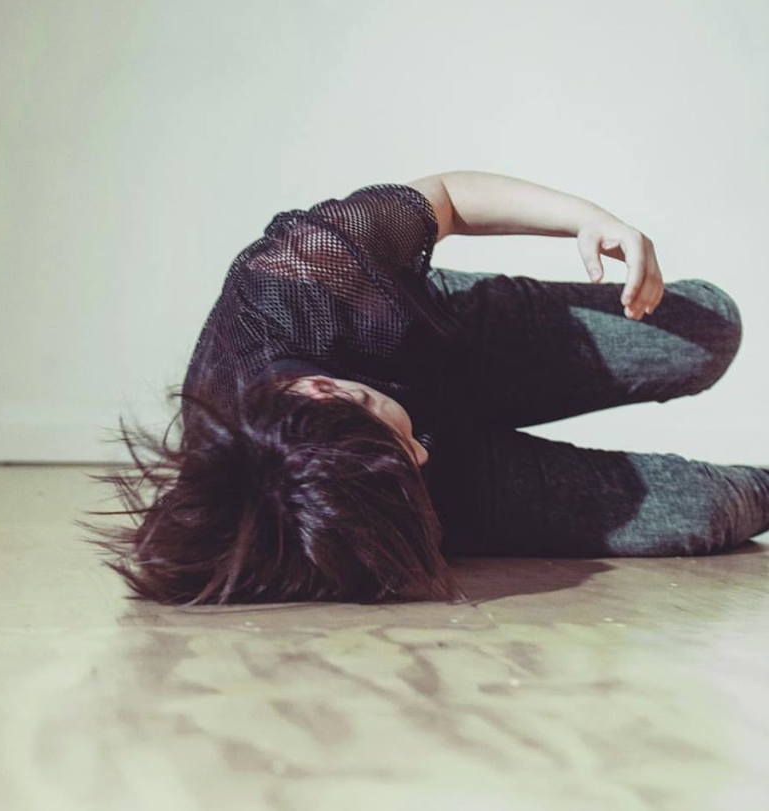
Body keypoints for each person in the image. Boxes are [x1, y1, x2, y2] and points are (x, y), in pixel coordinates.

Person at [80, 170, 769, 606]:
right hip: (416, 493)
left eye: (397, 437)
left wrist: (590, 218)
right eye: (408, 452)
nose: (423, 448)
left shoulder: (301, 276)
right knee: (705, 510)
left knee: (708, 328)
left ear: (323, 388)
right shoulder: (297, 500)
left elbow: (447, 198)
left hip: (449, 339)